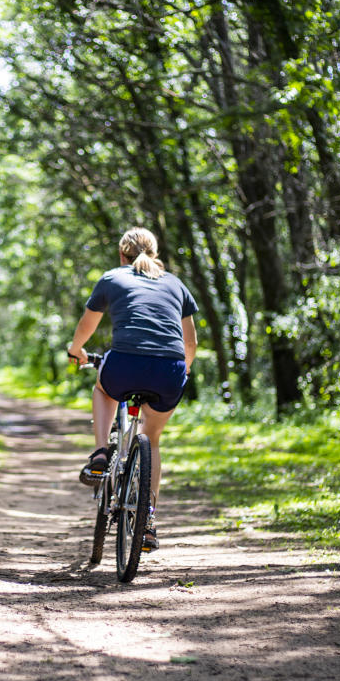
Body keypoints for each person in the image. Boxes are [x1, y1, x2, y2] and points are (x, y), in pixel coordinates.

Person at [66, 227, 197, 553]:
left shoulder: (112, 278)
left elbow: (88, 323)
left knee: (104, 390)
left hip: (124, 365)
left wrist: (76, 350)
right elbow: (190, 341)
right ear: (154, 252)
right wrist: (185, 368)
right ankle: (148, 521)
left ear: (121, 255)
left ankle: (99, 452)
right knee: (151, 440)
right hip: (170, 370)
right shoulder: (175, 284)